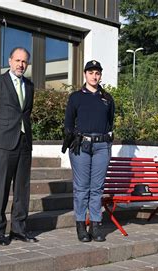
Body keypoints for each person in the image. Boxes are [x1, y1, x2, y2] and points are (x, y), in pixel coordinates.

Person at [0, 47, 36, 245]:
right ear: (10, 61)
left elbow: (26, 113)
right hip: (3, 143)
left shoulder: (29, 86)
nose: (21, 64)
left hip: (23, 142)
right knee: (2, 187)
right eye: (18, 60)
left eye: (24, 62)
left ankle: (19, 229)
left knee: (22, 188)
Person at [62, 60, 115, 242]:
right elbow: (68, 123)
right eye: (91, 72)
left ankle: (95, 225)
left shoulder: (107, 98)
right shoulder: (75, 97)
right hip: (81, 146)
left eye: (97, 73)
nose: (94, 76)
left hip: (101, 147)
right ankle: (80, 225)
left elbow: (110, 122)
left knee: (97, 188)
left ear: (100, 75)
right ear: (85, 74)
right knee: (82, 187)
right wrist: (71, 136)